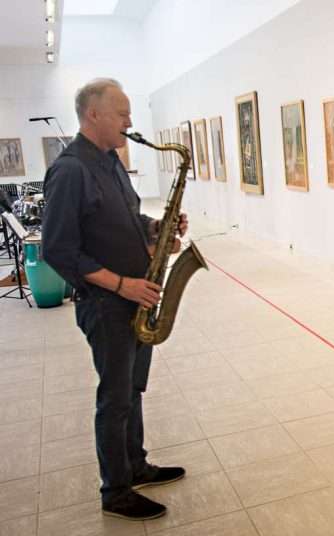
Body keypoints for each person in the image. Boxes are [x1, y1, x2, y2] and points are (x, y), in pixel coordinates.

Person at [42, 78, 188, 521]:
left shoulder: (110, 162)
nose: (130, 121)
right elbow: (59, 249)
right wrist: (122, 285)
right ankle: (116, 489)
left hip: (134, 296)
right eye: (122, 113)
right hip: (107, 304)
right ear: (94, 115)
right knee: (115, 397)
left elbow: (122, 218)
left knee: (133, 389)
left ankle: (135, 464)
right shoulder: (69, 171)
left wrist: (157, 228)